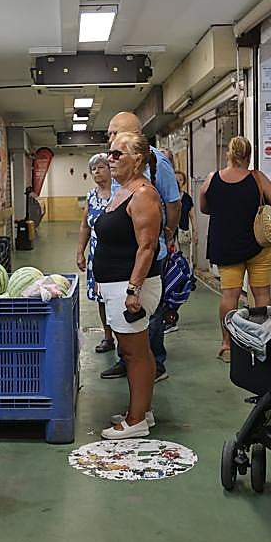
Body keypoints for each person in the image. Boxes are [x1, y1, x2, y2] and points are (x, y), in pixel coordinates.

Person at [100, 112, 181, 384]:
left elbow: (173, 202)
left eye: (116, 134)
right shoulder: (118, 164)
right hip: (123, 256)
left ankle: (155, 363)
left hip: (147, 255)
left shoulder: (157, 164)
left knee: (148, 316)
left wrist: (167, 235)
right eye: (110, 135)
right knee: (128, 327)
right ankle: (128, 361)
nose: (111, 141)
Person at [94, 132, 163, 439]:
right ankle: (142, 411)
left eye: (117, 153)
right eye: (110, 153)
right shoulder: (123, 191)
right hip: (116, 284)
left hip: (130, 286)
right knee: (137, 351)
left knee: (134, 354)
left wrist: (133, 290)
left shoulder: (144, 194)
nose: (111, 158)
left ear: (137, 160)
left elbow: (147, 247)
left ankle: (135, 421)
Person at [201, 136, 271, 362]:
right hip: (258, 246)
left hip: (226, 245)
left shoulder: (212, 179)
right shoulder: (257, 178)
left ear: (229, 154)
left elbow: (204, 207)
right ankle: (263, 340)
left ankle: (227, 345)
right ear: (249, 155)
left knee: (230, 295)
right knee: (262, 294)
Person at [76, 153, 116, 353]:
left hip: (119, 254)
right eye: (93, 169)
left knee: (118, 296)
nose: (97, 171)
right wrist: (80, 253)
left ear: (111, 169)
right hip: (97, 256)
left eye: (101, 167)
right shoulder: (91, 196)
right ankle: (108, 337)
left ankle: (126, 338)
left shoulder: (121, 193)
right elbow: (85, 226)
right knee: (101, 298)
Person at [163, 169, 196, 332]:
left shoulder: (184, 198)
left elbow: (192, 214)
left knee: (179, 271)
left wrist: (195, 230)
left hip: (177, 237)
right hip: (168, 241)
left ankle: (170, 318)